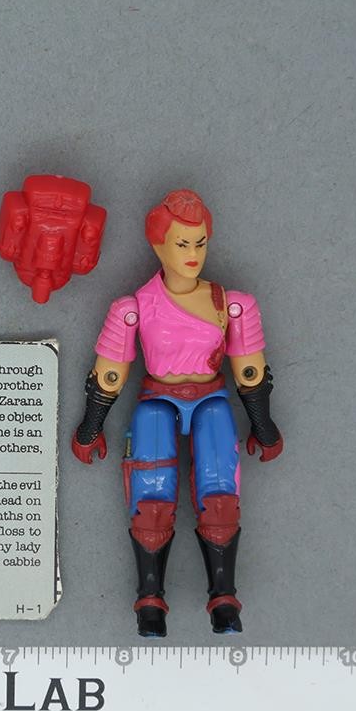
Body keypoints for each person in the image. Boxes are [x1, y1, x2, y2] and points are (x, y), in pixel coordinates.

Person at [72, 189, 283, 637]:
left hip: (211, 398)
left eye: (200, 242)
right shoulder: (133, 309)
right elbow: (109, 374)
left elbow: (249, 371)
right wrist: (91, 425)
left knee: (220, 489)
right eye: (182, 243)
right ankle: (150, 599)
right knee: (151, 493)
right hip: (157, 399)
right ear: (158, 245)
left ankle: (223, 597)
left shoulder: (232, 304)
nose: (193, 253)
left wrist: (263, 424)